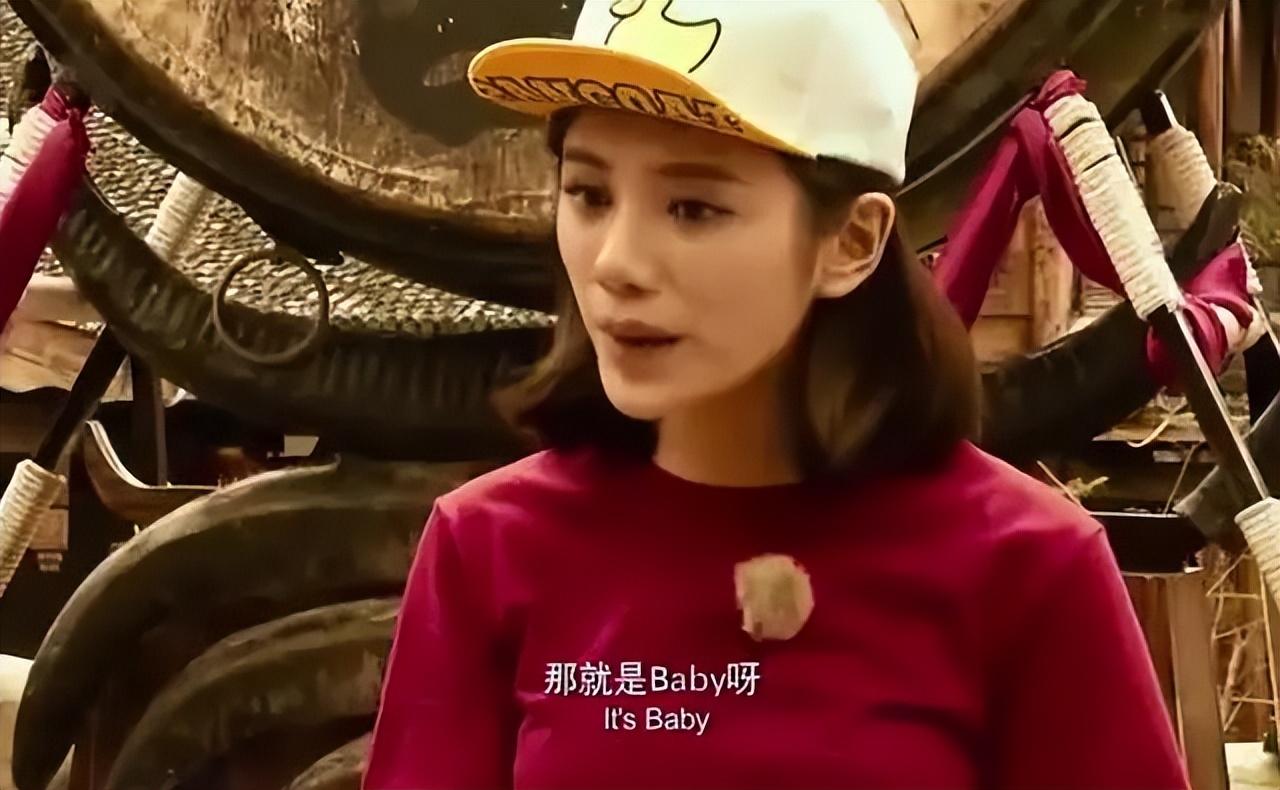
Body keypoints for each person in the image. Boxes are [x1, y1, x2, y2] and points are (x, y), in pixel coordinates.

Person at [362, 2, 1190, 788]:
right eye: (588, 194)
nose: (615, 262)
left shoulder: (1030, 569)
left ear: (851, 240)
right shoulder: (486, 550)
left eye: (692, 208)